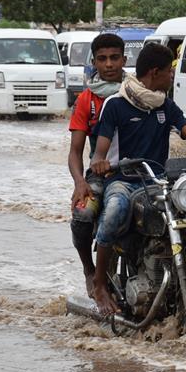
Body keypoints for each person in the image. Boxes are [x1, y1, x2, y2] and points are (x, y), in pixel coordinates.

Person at [89, 43, 186, 315]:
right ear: (155, 72)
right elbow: (100, 150)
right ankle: (100, 283)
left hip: (158, 180)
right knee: (115, 210)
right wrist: (99, 162)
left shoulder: (165, 105)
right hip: (125, 179)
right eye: (169, 71)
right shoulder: (116, 104)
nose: (172, 76)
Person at [67, 33, 128, 300]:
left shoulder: (139, 93)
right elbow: (75, 151)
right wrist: (80, 182)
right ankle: (89, 270)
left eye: (115, 58)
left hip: (138, 172)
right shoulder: (86, 100)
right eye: (102, 59)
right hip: (100, 175)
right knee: (83, 214)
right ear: (94, 63)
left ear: (124, 60)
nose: (109, 64)